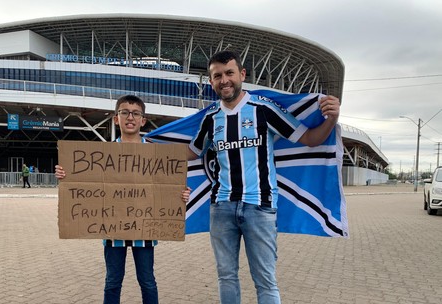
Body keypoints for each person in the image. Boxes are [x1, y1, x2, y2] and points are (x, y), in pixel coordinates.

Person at [185, 50, 341, 304]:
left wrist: (331, 119)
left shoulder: (264, 109)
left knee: (265, 281)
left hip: (260, 207)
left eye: (229, 73)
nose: (224, 80)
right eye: (217, 76)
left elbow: (310, 139)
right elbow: (191, 153)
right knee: (226, 277)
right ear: (211, 81)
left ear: (242, 74)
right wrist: (147, 151)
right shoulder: (210, 119)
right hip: (221, 208)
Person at [55, 95, 191, 304]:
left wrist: (180, 195)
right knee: (112, 282)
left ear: (143, 120)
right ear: (116, 119)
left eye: (136, 113)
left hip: (145, 231)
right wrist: (66, 176)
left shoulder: (156, 153)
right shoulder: (103, 153)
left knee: (147, 282)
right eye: (124, 112)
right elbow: (86, 183)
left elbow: (168, 186)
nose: (130, 117)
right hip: (112, 231)